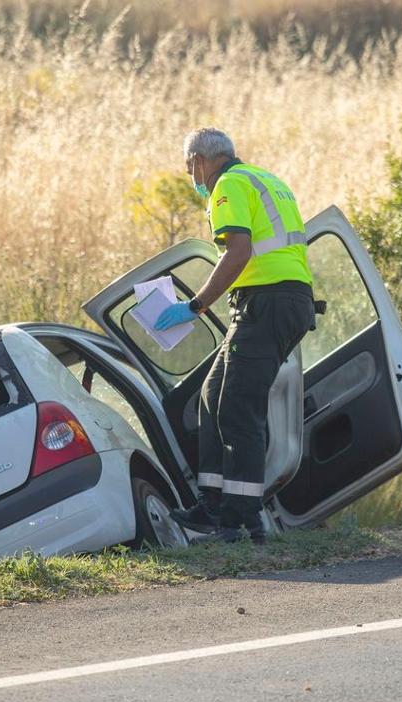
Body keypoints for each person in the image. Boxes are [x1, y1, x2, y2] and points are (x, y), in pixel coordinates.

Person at [156, 128, 315, 544]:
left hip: (268, 303)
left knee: (238, 408)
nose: (191, 175)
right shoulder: (266, 180)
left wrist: (196, 305)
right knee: (213, 397)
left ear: (201, 161)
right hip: (279, 302)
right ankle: (212, 504)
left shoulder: (227, 185)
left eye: (189, 167)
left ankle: (243, 518)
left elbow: (238, 251)